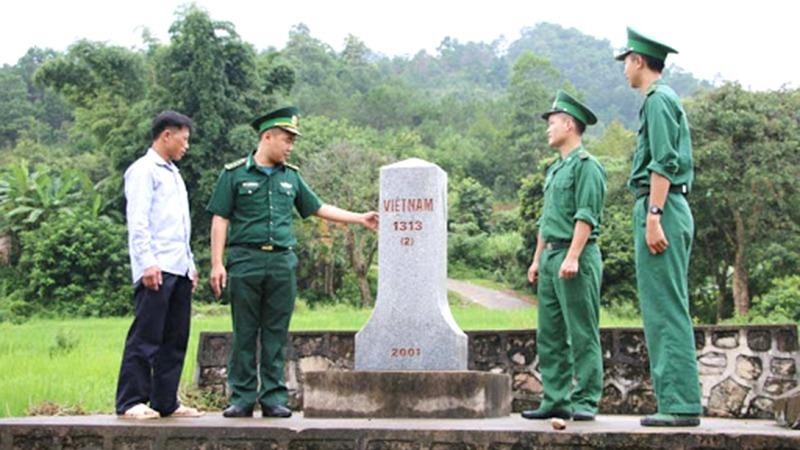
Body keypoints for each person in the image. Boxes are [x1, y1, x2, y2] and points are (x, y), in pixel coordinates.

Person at [207, 106, 379, 418]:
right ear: (267, 137)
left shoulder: (292, 177)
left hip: (282, 262)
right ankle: (243, 397)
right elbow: (220, 218)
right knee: (244, 331)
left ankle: (273, 397)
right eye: (286, 140)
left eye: (292, 142)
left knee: (276, 331)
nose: (290, 146)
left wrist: (359, 219)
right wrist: (217, 263)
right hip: (245, 260)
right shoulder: (234, 174)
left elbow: (317, 208)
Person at [616, 27, 701, 427]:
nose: (624, 71)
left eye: (626, 62)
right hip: (664, 206)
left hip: (662, 207)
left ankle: (680, 405)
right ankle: (677, 401)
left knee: (666, 309)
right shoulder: (659, 101)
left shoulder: (657, 100)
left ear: (638, 61)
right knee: (662, 307)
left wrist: (653, 215)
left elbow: (664, 161)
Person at [521, 91, 606, 422]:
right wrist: (537, 258)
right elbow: (546, 221)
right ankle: (555, 399)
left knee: (582, 331)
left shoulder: (588, 167)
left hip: (577, 256)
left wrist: (572, 256)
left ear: (569, 125)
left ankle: (585, 399)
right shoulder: (555, 170)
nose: (547, 130)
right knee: (550, 333)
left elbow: (586, 216)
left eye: (552, 123)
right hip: (552, 256)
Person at [116, 111, 203, 420]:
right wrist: (147, 262)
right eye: (184, 139)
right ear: (167, 135)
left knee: (175, 337)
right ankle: (131, 401)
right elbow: (138, 221)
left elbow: (179, 225)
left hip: (178, 266)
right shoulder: (143, 171)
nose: (186, 146)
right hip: (156, 266)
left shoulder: (174, 174)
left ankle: (165, 400)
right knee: (146, 335)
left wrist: (190, 264)